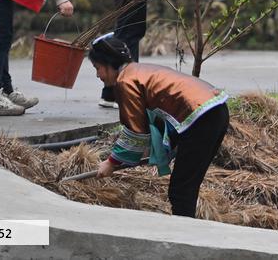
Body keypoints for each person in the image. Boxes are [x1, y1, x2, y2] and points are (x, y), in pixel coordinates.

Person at [89, 35, 229, 217]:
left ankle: (185, 238)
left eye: (97, 68)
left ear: (109, 64)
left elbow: (135, 133)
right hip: (216, 109)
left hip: (202, 118)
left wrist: (111, 162)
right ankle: (188, 232)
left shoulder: (125, 81)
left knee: (181, 190)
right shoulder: (138, 70)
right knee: (187, 186)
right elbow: (152, 121)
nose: (97, 75)